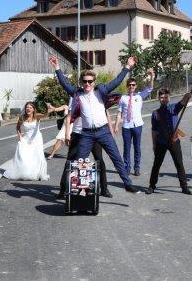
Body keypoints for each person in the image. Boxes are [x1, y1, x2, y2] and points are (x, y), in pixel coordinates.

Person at [49, 54, 139, 194]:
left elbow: (117, 81)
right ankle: (78, 190)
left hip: (103, 132)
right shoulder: (77, 93)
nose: (87, 84)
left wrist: (128, 66)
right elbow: (64, 84)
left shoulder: (101, 90)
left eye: (90, 81)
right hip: (86, 134)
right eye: (85, 81)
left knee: (116, 158)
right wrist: (57, 67)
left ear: (94, 82)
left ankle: (127, 184)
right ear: (81, 82)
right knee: (79, 162)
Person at [57, 96, 112, 199]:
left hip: (94, 133)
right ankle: (63, 189)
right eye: (84, 85)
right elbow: (69, 115)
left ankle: (104, 188)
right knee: (70, 161)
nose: (86, 86)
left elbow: (105, 113)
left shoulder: (96, 95)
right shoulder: (75, 96)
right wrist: (67, 133)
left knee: (99, 159)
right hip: (78, 133)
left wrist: (109, 131)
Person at [146, 88, 192, 195]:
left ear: (169, 98)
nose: (164, 99)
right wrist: (154, 144)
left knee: (179, 163)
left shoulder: (174, 108)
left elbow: (183, 102)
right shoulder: (155, 113)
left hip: (174, 141)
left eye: (166, 97)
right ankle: (152, 186)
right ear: (159, 99)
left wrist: (187, 96)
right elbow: (154, 130)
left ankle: (184, 187)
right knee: (156, 165)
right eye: (162, 97)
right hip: (161, 142)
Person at [115, 68, 154, 176]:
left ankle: (137, 168)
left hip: (137, 125)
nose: (131, 86)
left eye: (133, 85)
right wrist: (116, 125)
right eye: (129, 85)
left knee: (137, 147)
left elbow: (150, 88)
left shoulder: (139, 96)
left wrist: (151, 76)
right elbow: (119, 113)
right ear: (127, 86)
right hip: (126, 126)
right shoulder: (123, 98)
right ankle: (127, 168)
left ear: (136, 86)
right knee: (126, 148)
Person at [3, 102, 51, 181]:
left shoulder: (37, 116)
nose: (28, 109)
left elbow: (44, 115)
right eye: (27, 107)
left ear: (33, 109)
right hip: (26, 139)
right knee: (25, 155)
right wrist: (19, 136)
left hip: (37, 139)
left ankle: (38, 173)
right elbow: (18, 127)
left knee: (37, 156)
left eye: (30, 107)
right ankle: (26, 172)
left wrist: (47, 110)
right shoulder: (22, 117)